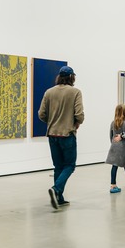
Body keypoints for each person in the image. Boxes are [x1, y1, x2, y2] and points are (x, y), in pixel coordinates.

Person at [38, 66, 84, 209]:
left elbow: (41, 114)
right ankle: (56, 189)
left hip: (52, 134)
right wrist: (76, 123)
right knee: (70, 165)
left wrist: (52, 122)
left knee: (58, 166)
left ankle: (59, 197)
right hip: (67, 134)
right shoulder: (75, 92)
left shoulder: (49, 92)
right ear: (72, 77)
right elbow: (80, 115)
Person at [105, 104, 125, 193]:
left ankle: (113, 185)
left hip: (114, 146)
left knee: (114, 166)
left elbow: (110, 136)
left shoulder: (113, 123)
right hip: (124, 147)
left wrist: (114, 144)